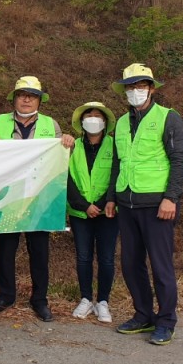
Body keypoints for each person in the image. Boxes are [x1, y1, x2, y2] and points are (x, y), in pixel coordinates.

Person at [106, 63, 183, 345]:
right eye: (130, 87)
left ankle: (166, 321)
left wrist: (171, 197)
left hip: (157, 204)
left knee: (161, 265)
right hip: (127, 203)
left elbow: (179, 161)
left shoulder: (168, 117)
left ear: (151, 88)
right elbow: (118, 163)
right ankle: (143, 314)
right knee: (130, 264)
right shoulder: (120, 122)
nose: (135, 91)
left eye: (141, 86)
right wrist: (111, 198)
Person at [0, 76, 74, 322]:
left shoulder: (51, 124)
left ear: (40, 99)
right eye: (22, 94)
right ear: (14, 98)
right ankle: (5, 296)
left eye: (32, 95)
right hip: (7, 197)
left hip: (40, 198)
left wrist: (67, 141)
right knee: (6, 250)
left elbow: (60, 156)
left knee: (39, 252)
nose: (26, 99)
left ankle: (40, 300)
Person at [67, 101, 118, 324]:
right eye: (89, 115)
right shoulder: (72, 146)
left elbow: (118, 176)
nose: (93, 119)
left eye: (98, 115)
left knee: (106, 258)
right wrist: (84, 205)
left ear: (105, 122)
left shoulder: (115, 146)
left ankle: (103, 301)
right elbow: (66, 178)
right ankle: (86, 298)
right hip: (80, 213)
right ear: (81, 122)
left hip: (108, 211)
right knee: (84, 257)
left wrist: (105, 201)